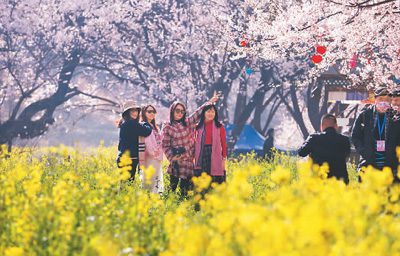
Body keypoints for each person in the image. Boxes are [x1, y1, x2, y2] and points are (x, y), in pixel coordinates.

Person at [162, 94, 219, 196]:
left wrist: (210, 102)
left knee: (185, 192)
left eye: (182, 111)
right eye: (177, 111)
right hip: (176, 162)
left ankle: (183, 209)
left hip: (188, 162)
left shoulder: (187, 122)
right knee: (171, 190)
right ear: (172, 111)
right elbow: (165, 145)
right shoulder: (168, 127)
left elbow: (198, 113)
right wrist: (172, 158)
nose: (180, 113)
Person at [351, 87, 396, 175]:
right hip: (369, 162)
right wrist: (364, 151)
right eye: (381, 99)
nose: (384, 102)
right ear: (375, 100)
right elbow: (355, 136)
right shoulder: (364, 115)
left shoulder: (395, 116)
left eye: (387, 99)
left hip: (390, 164)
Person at [298, 114, 351, 184]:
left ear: (322, 126)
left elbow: (301, 152)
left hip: (319, 181)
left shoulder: (314, 138)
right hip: (340, 181)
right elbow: (347, 155)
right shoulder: (345, 140)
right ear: (336, 126)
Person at [117, 101, 152, 181]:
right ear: (127, 113)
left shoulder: (126, 123)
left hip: (126, 158)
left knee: (126, 185)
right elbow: (147, 131)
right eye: (132, 111)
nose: (135, 113)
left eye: (136, 110)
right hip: (128, 159)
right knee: (127, 185)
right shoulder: (130, 124)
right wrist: (146, 124)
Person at [194, 104, 227, 184]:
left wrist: (224, 157)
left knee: (214, 178)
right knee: (203, 177)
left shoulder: (219, 126)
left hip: (215, 153)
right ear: (204, 113)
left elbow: (223, 143)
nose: (211, 114)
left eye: (213, 112)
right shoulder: (197, 127)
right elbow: (194, 142)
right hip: (202, 153)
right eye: (208, 111)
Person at [140, 104, 164, 194]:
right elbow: (147, 142)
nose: (152, 113)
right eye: (149, 111)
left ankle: (154, 202)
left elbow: (159, 141)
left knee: (156, 180)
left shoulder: (154, 126)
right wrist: (154, 153)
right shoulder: (144, 125)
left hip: (156, 157)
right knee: (148, 180)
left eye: (153, 112)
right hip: (149, 157)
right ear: (144, 113)